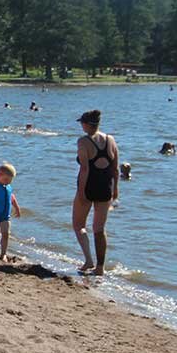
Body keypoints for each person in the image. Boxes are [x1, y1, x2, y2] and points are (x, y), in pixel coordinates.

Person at [74, 109, 119, 275]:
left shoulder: (83, 142)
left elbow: (85, 169)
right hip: (105, 187)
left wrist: (81, 192)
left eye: (82, 123)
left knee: (79, 225)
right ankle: (100, 267)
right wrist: (115, 190)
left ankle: (88, 260)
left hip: (88, 186)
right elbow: (115, 168)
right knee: (99, 228)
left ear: (86, 124)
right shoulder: (110, 140)